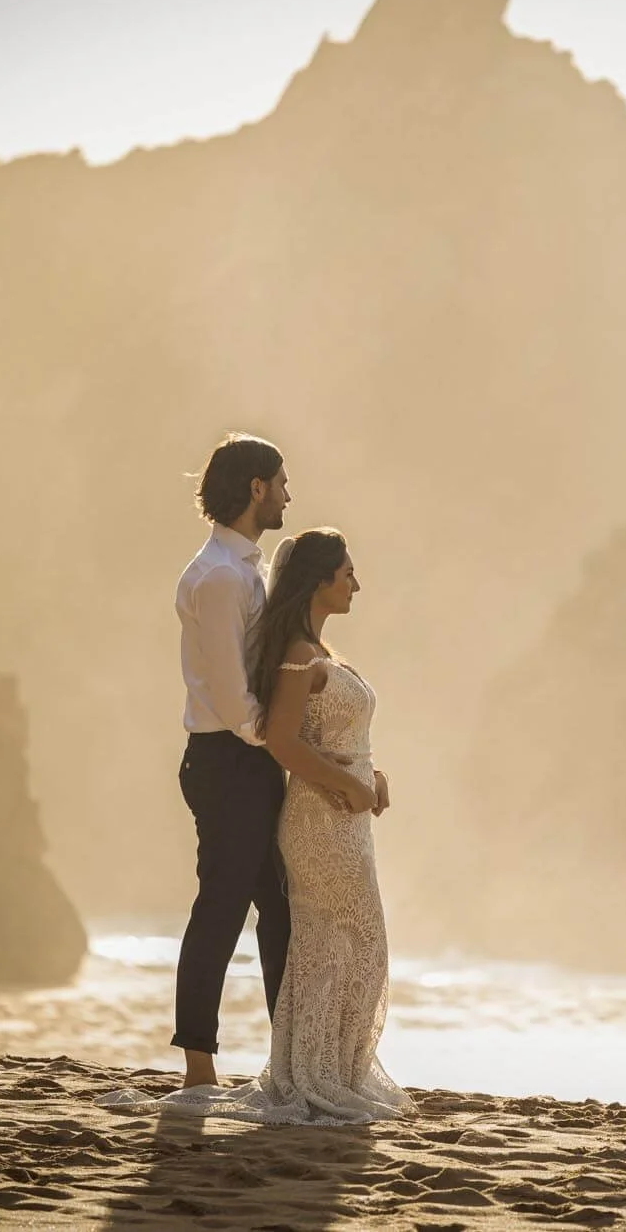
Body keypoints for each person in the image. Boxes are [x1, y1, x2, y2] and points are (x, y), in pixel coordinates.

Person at [103, 528, 412, 1124]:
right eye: (347, 572)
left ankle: (324, 1066)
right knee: (281, 925)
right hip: (291, 798)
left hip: (335, 811)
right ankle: (268, 1069)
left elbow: (328, 733)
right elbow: (278, 735)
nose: (357, 583)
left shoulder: (311, 643)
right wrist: (347, 783)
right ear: (319, 580)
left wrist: (369, 773)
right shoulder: (243, 601)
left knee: (333, 937)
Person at [158, 434, 351, 1090]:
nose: (290, 493)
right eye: (282, 481)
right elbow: (225, 686)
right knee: (222, 905)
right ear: (255, 489)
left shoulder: (246, 569)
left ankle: (290, 1058)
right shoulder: (216, 576)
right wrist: (274, 736)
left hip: (250, 759)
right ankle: (197, 1068)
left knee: (280, 905)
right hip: (225, 759)